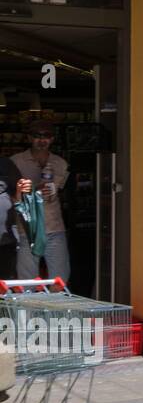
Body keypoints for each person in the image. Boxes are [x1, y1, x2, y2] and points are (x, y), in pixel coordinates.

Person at [11, 121, 71, 283]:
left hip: (54, 226)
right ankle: (27, 309)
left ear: (52, 139)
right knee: (26, 282)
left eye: (47, 136)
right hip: (27, 228)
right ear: (29, 137)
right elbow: (9, 195)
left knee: (60, 280)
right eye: (37, 136)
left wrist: (50, 189)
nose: (42, 140)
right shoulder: (16, 161)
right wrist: (31, 190)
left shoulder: (60, 162)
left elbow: (58, 190)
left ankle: (57, 309)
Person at [0, 157, 32, 279]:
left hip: (5, 242)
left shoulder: (5, 164)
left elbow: (19, 198)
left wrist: (22, 189)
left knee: (4, 288)